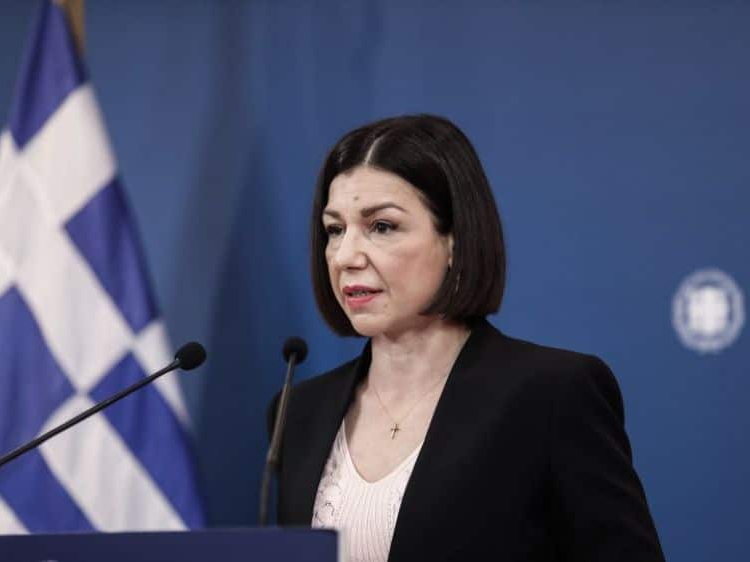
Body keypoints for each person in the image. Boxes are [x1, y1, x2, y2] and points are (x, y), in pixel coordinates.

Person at [270, 115, 665, 561]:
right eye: (335, 230)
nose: (345, 256)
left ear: (455, 239)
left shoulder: (551, 396)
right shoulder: (297, 413)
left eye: (381, 226)